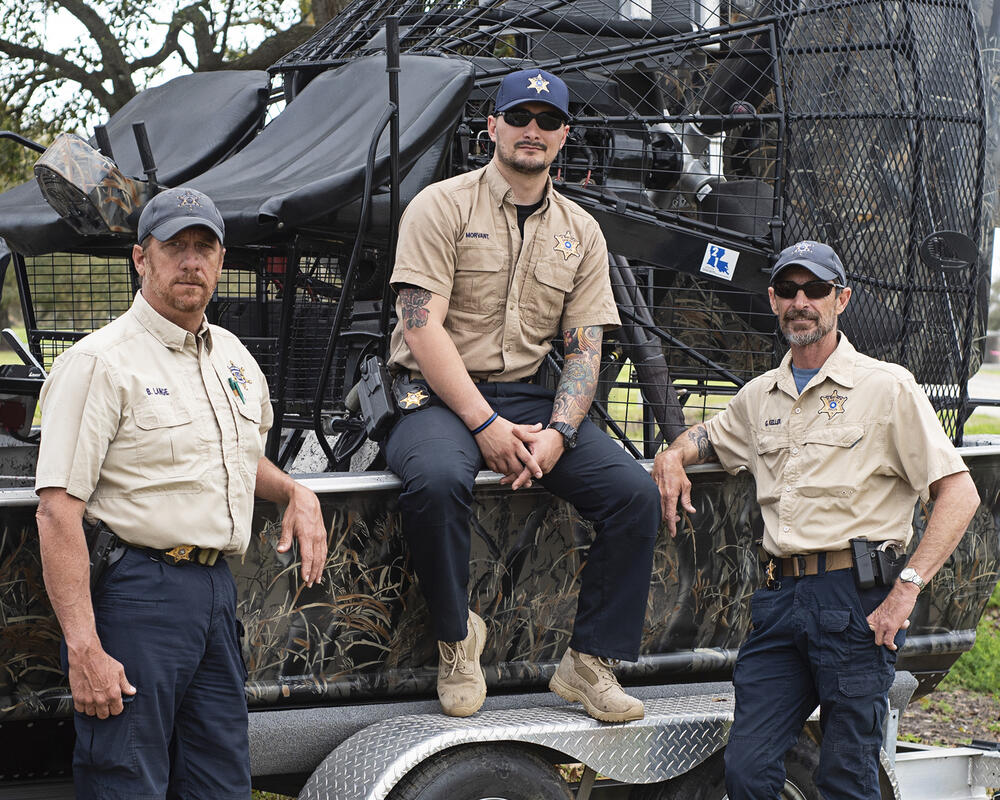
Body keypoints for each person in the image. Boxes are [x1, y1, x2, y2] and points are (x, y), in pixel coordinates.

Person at [652, 240, 980, 799]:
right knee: (748, 770)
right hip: (780, 603)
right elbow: (708, 438)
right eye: (788, 290)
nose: (800, 301)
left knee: (846, 776)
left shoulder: (887, 387)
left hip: (857, 602)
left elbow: (960, 492)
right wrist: (672, 455)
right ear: (773, 300)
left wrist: (906, 589)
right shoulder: (761, 397)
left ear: (841, 299)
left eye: (816, 290)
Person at [384, 67, 660, 721]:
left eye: (547, 121)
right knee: (435, 479)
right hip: (435, 393)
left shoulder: (582, 231)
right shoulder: (440, 206)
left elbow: (584, 350)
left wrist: (559, 433)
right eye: (519, 118)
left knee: (634, 495)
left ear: (564, 137)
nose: (531, 131)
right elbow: (420, 330)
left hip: (529, 399)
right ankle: (457, 643)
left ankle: (588, 666)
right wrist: (484, 426)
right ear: (492, 127)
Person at [34, 187, 328, 799]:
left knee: (219, 782)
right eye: (175, 247)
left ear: (221, 262)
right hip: (138, 595)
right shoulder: (100, 362)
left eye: (205, 248)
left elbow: (234, 460)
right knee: (127, 780)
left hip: (217, 593)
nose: (191, 261)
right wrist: (84, 648)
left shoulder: (232, 357)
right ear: (142, 259)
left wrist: (294, 491)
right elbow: (58, 512)